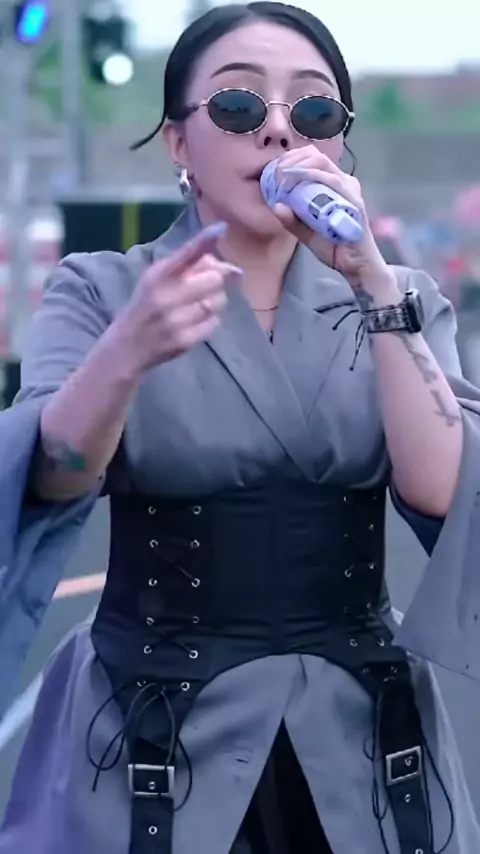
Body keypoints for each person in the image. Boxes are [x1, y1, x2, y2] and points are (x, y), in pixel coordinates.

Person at [1, 3, 480, 852]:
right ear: (179, 143)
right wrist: (125, 355)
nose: (278, 130)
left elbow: (443, 486)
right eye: (238, 104)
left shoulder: (398, 295)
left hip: (362, 736)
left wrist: (374, 283)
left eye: (315, 109)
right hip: (152, 725)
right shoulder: (104, 290)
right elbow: (56, 471)